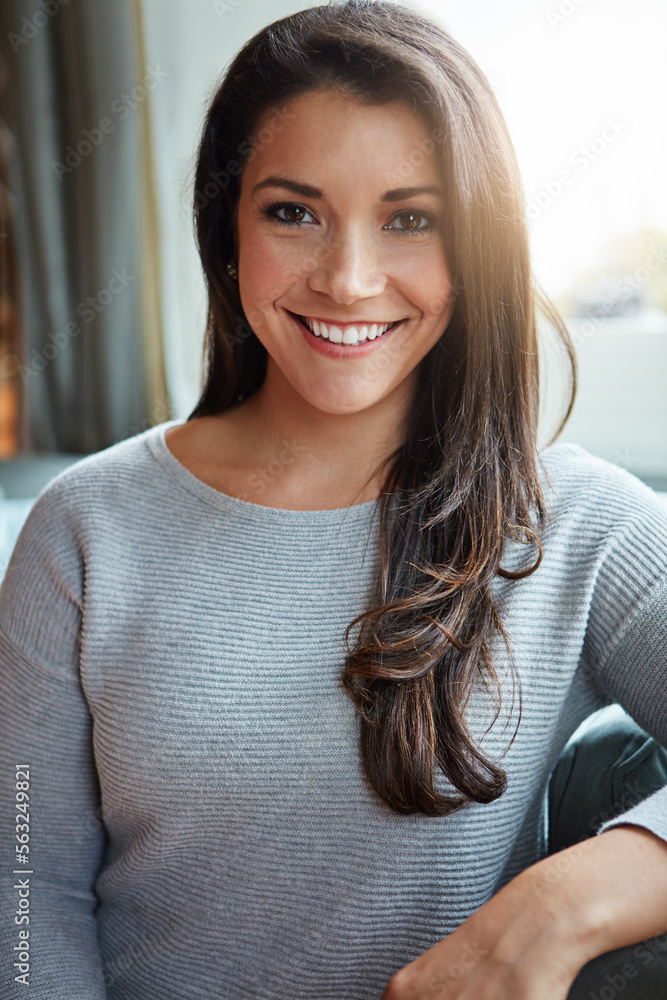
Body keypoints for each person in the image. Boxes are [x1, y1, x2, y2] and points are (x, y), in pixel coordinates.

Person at [1, 2, 666, 998]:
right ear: (227, 230)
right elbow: (25, 886)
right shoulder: (84, 527)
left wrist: (563, 902)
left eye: (411, 218)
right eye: (293, 211)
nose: (349, 278)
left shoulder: (577, 522)